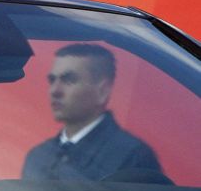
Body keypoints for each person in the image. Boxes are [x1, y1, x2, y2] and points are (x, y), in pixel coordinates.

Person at [21, 43, 164, 181]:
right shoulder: (38, 156)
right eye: (52, 80)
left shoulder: (133, 157)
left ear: (103, 91)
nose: (55, 90)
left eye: (69, 80)